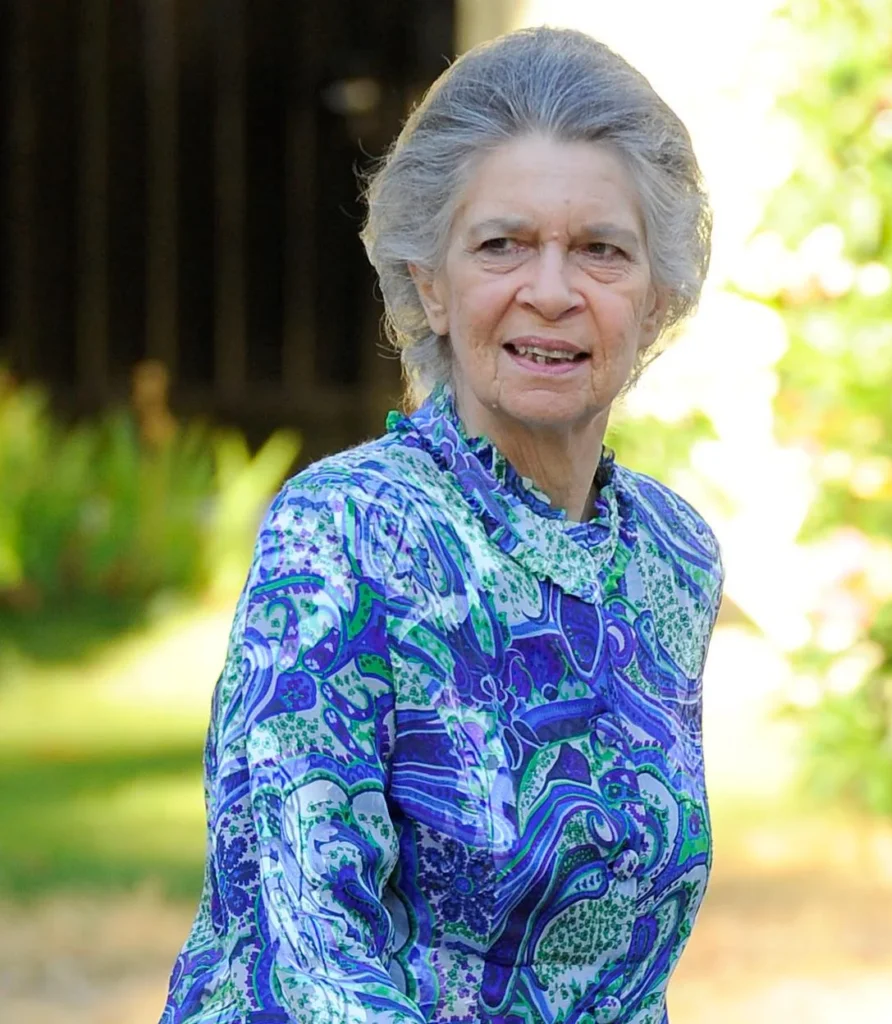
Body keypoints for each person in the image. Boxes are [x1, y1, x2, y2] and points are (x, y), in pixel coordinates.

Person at [160, 25, 723, 1024]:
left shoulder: (674, 557)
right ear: (431, 283)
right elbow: (312, 951)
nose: (550, 291)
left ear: (657, 299)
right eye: (503, 245)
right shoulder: (344, 533)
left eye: (600, 251)